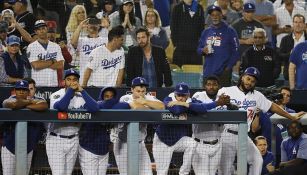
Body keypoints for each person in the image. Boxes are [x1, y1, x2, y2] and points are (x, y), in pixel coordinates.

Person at [218, 67, 304, 175]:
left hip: (244, 135)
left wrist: (292, 117)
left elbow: (273, 106)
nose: (250, 83)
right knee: (225, 169)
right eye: (248, 79)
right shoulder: (226, 90)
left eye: (253, 81)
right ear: (242, 77)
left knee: (257, 160)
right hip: (228, 134)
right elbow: (215, 107)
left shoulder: (257, 96)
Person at [47, 68, 99, 175]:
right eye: (69, 79)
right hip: (56, 139)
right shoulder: (56, 95)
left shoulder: (81, 96)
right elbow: (61, 107)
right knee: (58, 173)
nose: (72, 82)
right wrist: (71, 90)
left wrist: (83, 91)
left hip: (74, 139)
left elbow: (95, 108)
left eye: (75, 79)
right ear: (64, 81)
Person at [111, 77, 165, 175]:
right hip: (123, 143)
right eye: (138, 91)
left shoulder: (147, 98)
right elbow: (136, 107)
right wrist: (150, 110)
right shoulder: (125, 98)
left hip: (140, 143)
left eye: (143, 91)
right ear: (132, 90)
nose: (140, 93)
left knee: (147, 173)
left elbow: (162, 106)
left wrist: (145, 102)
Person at [1, 80, 48, 175]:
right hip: (9, 148)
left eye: (24, 90)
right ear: (15, 91)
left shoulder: (36, 99)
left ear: (28, 91)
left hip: (28, 148)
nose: (21, 92)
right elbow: (13, 104)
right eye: (19, 89)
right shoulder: (9, 99)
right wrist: (30, 102)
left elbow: (44, 105)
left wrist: (25, 104)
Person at [191, 75, 226, 175]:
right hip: (200, 145)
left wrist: (228, 105)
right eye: (209, 84)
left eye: (214, 85)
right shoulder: (198, 95)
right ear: (204, 86)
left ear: (218, 86)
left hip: (217, 144)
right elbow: (198, 108)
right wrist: (217, 104)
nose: (211, 87)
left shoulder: (223, 97)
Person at [78, 87, 118, 174]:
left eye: (112, 96)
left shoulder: (115, 109)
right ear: (101, 97)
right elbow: (96, 106)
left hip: (104, 152)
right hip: (89, 150)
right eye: (106, 96)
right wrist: (112, 102)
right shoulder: (95, 105)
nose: (109, 99)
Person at [197, 5, 240, 87]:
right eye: (212, 15)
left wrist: (228, 67)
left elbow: (236, 50)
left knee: (223, 97)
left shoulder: (230, 31)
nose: (215, 17)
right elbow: (198, 49)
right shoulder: (206, 32)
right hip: (208, 71)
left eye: (217, 14)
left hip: (223, 73)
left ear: (221, 15)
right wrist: (203, 50)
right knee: (207, 97)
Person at [70, 16, 108, 83]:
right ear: (86, 26)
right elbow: (73, 42)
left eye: (95, 24)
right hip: (84, 78)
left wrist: (107, 27)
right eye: (90, 24)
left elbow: (115, 42)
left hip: (101, 78)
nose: (93, 25)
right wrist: (80, 26)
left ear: (99, 26)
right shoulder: (82, 40)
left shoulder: (105, 40)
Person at [27, 20, 64, 87]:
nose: (41, 31)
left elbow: (60, 65)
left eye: (43, 28)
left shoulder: (56, 46)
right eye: (39, 29)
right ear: (35, 32)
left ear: (47, 29)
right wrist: (52, 61)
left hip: (53, 84)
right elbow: (36, 66)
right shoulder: (31, 46)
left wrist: (42, 63)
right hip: (38, 85)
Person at [171, 0, 204, 66]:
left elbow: (201, 28)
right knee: (179, 73)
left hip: (195, 48)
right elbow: (173, 28)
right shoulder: (177, 8)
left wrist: (200, 44)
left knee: (195, 73)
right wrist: (176, 44)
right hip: (181, 48)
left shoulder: (199, 7)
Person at [279, 14, 306, 80]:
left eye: (300, 22)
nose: (298, 25)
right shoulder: (285, 39)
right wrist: (290, 54)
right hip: (289, 76)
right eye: (296, 22)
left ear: (304, 25)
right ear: (293, 24)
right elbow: (280, 55)